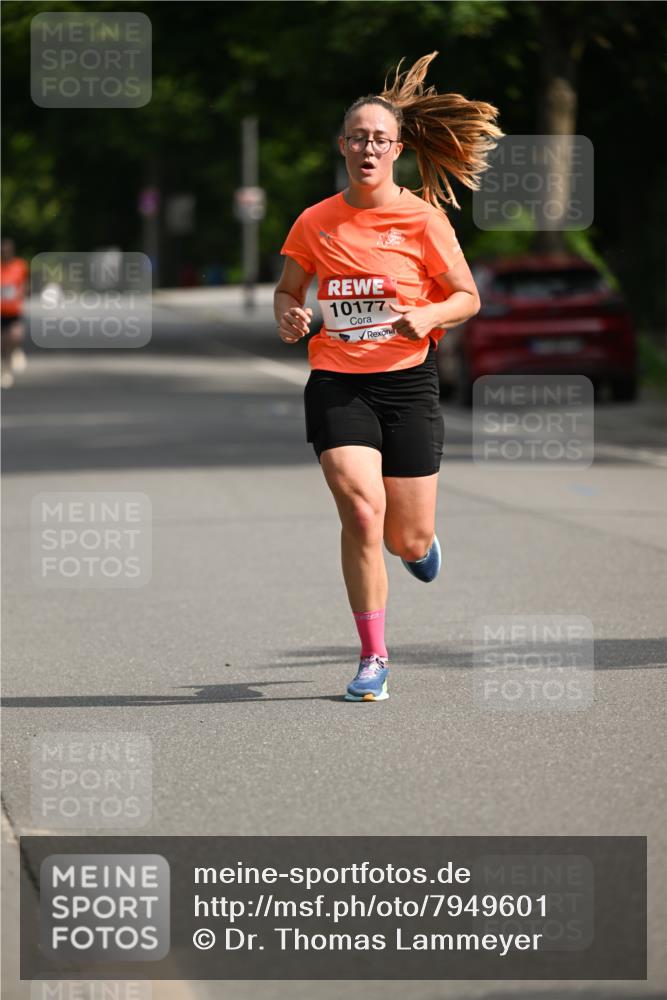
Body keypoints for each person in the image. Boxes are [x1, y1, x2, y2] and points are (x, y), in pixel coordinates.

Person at [274, 52, 501, 702]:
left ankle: (421, 546)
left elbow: (466, 298)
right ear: (342, 146)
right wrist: (290, 315)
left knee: (405, 534)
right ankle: (373, 656)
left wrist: (424, 313)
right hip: (338, 382)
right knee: (359, 509)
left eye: (379, 138)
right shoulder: (314, 221)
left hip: (407, 384)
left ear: (396, 148)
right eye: (357, 137)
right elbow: (289, 291)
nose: (367, 146)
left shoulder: (423, 220)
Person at [1, 237, 29, 389]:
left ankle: (17, 351)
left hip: (13, 309)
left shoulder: (19, 265)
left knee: (16, 335)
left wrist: (21, 296)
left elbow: (24, 284)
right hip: (1, 310)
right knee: (3, 343)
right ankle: (6, 371)